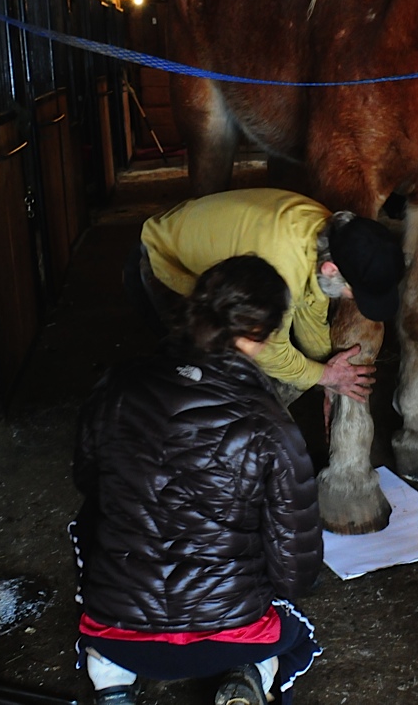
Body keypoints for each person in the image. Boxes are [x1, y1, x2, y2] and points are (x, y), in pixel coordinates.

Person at [72, 255, 324, 705]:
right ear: (260, 336)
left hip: (119, 633)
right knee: (292, 629)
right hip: (231, 636)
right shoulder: (270, 424)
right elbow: (294, 572)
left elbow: (88, 482)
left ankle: (110, 683)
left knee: (90, 523)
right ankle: (251, 676)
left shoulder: (116, 388)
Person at [127, 188, 404, 406]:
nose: (351, 299)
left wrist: (329, 369)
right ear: (332, 270)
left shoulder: (329, 234)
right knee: (201, 375)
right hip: (161, 260)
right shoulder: (281, 269)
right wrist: (326, 376)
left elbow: (311, 311)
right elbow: (269, 352)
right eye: (353, 293)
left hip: (199, 238)